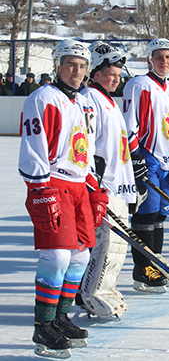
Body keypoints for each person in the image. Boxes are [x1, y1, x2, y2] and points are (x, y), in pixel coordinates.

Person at [19, 39, 108, 358]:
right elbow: (33, 147)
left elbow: (81, 150)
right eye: (71, 64)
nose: (77, 71)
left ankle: (61, 316)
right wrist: (41, 191)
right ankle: (43, 325)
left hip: (78, 185)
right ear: (57, 65)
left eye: (83, 66)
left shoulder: (79, 102)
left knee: (81, 257)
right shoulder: (42, 98)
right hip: (52, 183)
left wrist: (94, 186)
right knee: (56, 257)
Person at [122, 38, 169, 292]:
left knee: (161, 214)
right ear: (149, 59)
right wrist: (135, 155)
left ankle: (155, 262)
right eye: (159, 57)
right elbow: (130, 123)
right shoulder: (138, 84)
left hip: (167, 160)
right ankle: (142, 268)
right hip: (147, 156)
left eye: (168, 57)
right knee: (145, 214)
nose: (164, 61)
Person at [77, 41, 137, 318]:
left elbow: (120, 149)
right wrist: (96, 185)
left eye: (117, 74)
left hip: (119, 186)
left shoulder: (111, 102)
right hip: (103, 186)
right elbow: (87, 147)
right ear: (95, 73)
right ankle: (89, 292)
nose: (115, 79)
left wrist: (131, 188)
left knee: (117, 246)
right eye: (109, 73)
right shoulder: (89, 100)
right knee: (105, 243)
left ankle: (105, 286)